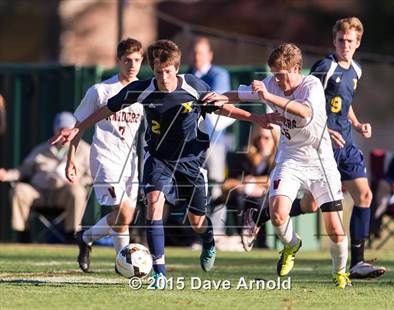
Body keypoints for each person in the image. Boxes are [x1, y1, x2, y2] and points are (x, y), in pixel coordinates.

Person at [49, 39, 274, 286]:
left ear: (176, 68)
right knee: (153, 204)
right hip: (158, 159)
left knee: (197, 222)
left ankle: (208, 241)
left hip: (191, 161)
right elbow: (107, 109)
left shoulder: (193, 85)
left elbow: (221, 107)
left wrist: (256, 118)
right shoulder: (143, 89)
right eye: (158, 72)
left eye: (167, 71)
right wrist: (77, 128)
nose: (163, 77)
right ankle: (159, 272)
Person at [242, 17, 387, 280]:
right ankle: (266, 214)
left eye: (350, 41)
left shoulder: (356, 70)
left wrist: (355, 123)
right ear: (334, 40)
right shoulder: (324, 67)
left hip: (346, 142)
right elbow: (310, 103)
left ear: (358, 42)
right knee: (311, 206)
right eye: (341, 40)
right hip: (321, 144)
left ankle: (357, 262)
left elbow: (344, 101)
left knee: (364, 196)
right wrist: (324, 129)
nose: (345, 45)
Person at [207, 42, 352, 288]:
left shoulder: (311, 85)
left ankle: (340, 273)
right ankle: (292, 245)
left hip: (321, 162)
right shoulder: (272, 84)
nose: (277, 80)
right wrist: (216, 97)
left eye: (281, 75)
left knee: (334, 228)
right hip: (290, 158)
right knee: (277, 213)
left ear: (297, 69)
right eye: (274, 74)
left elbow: (303, 112)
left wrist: (268, 96)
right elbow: (238, 95)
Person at [65, 38, 144, 272]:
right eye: (127, 60)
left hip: (130, 163)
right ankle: (124, 261)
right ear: (117, 61)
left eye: (137, 60)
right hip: (105, 158)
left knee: (125, 217)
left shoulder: (145, 91)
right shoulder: (100, 91)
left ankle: (87, 238)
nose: (132, 65)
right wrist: (70, 159)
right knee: (122, 211)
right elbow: (78, 126)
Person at [0, 112, 91, 242]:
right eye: (60, 129)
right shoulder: (42, 149)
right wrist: (6, 175)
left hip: (65, 194)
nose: (63, 133)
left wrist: (79, 181)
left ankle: (71, 235)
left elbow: (92, 176)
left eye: (66, 129)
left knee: (77, 192)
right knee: (19, 190)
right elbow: (23, 170)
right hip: (40, 193)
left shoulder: (85, 150)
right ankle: (23, 235)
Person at [187, 37, 235, 239]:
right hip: (190, 143)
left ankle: (217, 232)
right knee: (191, 187)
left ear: (210, 55)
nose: (198, 57)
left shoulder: (218, 74)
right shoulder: (187, 74)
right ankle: (195, 233)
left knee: (215, 186)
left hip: (213, 142)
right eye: (195, 52)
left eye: (201, 52)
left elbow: (213, 102)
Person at [221, 126, 278, 244]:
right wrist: (245, 184)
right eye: (259, 138)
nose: (262, 141)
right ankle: (240, 237)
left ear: (274, 140)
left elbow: (273, 180)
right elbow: (234, 181)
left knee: (259, 202)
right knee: (237, 198)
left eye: (267, 138)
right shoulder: (247, 157)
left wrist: (253, 181)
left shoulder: (278, 158)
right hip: (245, 195)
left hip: (268, 198)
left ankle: (261, 242)